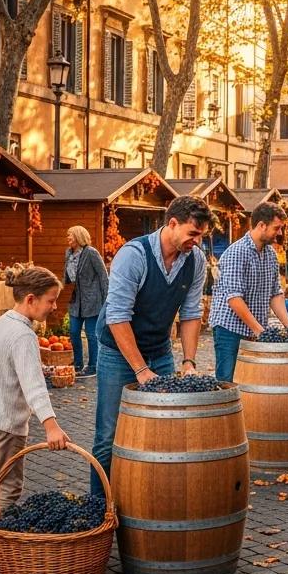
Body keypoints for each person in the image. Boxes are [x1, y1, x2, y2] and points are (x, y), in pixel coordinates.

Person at [90, 195, 210, 493]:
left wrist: (189, 362)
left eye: (201, 236)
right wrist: (140, 370)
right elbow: (117, 317)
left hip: (159, 350)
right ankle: (99, 510)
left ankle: (147, 502)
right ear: (172, 223)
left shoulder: (195, 261)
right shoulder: (134, 255)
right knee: (109, 435)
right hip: (118, 352)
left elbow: (192, 313)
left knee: (163, 431)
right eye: (193, 234)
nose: (196, 241)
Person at [0, 267, 70, 574]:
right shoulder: (23, 333)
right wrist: (51, 425)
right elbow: (34, 387)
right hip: (5, 423)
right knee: (6, 488)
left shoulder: (4, 321)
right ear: (30, 299)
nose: (54, 307)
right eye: (51, 301)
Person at [209, 202, 288, 382]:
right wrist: (259, 331)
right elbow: (234, 298)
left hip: (254, 329)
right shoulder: (236, 252)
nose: (279, 233)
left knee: (252, 383)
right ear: (261, 225)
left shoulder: (270, 254)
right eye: (276, 228)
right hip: (229, 329)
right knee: (228, 383)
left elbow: (275, 293)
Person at [63, 225, 109, 377]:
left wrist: (107, 299)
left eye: (70, 235)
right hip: (76, 300)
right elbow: (68, 277)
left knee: (91, 334)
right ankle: (77, 364)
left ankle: (93, 366)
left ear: (78, 237)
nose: (68, 238)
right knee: (74, 332)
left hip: (92, 300)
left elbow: (103, 276)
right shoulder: (68, 253)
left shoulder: (91, 253)